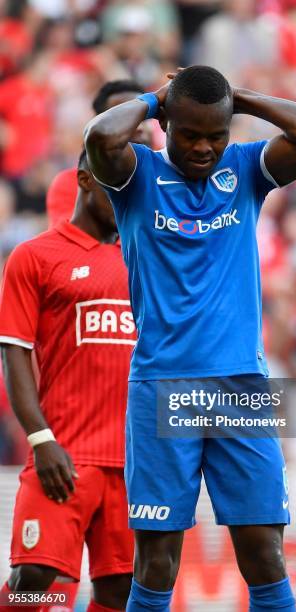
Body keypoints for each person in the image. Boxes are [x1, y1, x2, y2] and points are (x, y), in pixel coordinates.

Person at [85, 64, 296, 611]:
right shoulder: (137, 178)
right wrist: (157, 99)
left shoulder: (245, 169)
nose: (203, 147)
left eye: (215, 135)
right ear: (169, 127)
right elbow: (102, 136)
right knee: (155, 561)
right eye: (191, 133)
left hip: (240, 386)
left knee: (264, 553)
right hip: (162, 386)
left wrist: (239, 97)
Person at [0, 151, 137, 612]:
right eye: (113, 184)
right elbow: (14, 352)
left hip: (134, 462)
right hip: (65, 453)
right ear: (84, 180)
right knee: (32, 578)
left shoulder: (145, 261)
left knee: (120, 591)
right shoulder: (36, 256)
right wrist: (41, 439)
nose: (123, 196)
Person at [47, 79, 153, 227]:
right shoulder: (72, 183)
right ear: (99, 127)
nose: (140, 127)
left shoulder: (172, 179)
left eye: (144, 118)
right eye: (124, 120)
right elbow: (68, 244)